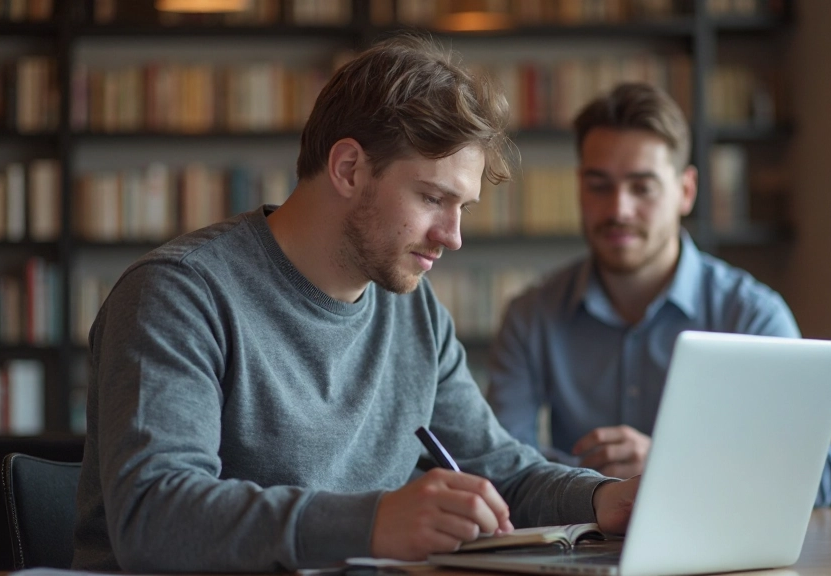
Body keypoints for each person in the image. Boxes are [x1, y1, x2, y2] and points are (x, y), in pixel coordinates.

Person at [71, 36, 641, 573]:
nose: (453, 236)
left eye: (462, 206)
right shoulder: (177, 295)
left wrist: (602, 497)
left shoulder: (413, 312)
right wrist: (373, 523)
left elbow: (497, 471)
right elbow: (153, 515)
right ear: (348, 168)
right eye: (432, 198)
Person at [486, 83, 831, 508]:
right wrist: (599, 491)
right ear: (579, 187)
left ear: (685, 192)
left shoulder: (751, 316)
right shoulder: (531, 316)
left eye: (643, 187)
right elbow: (500, 469)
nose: (619, 209)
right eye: (599, 185)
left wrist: (672, 466)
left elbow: (815, 479)